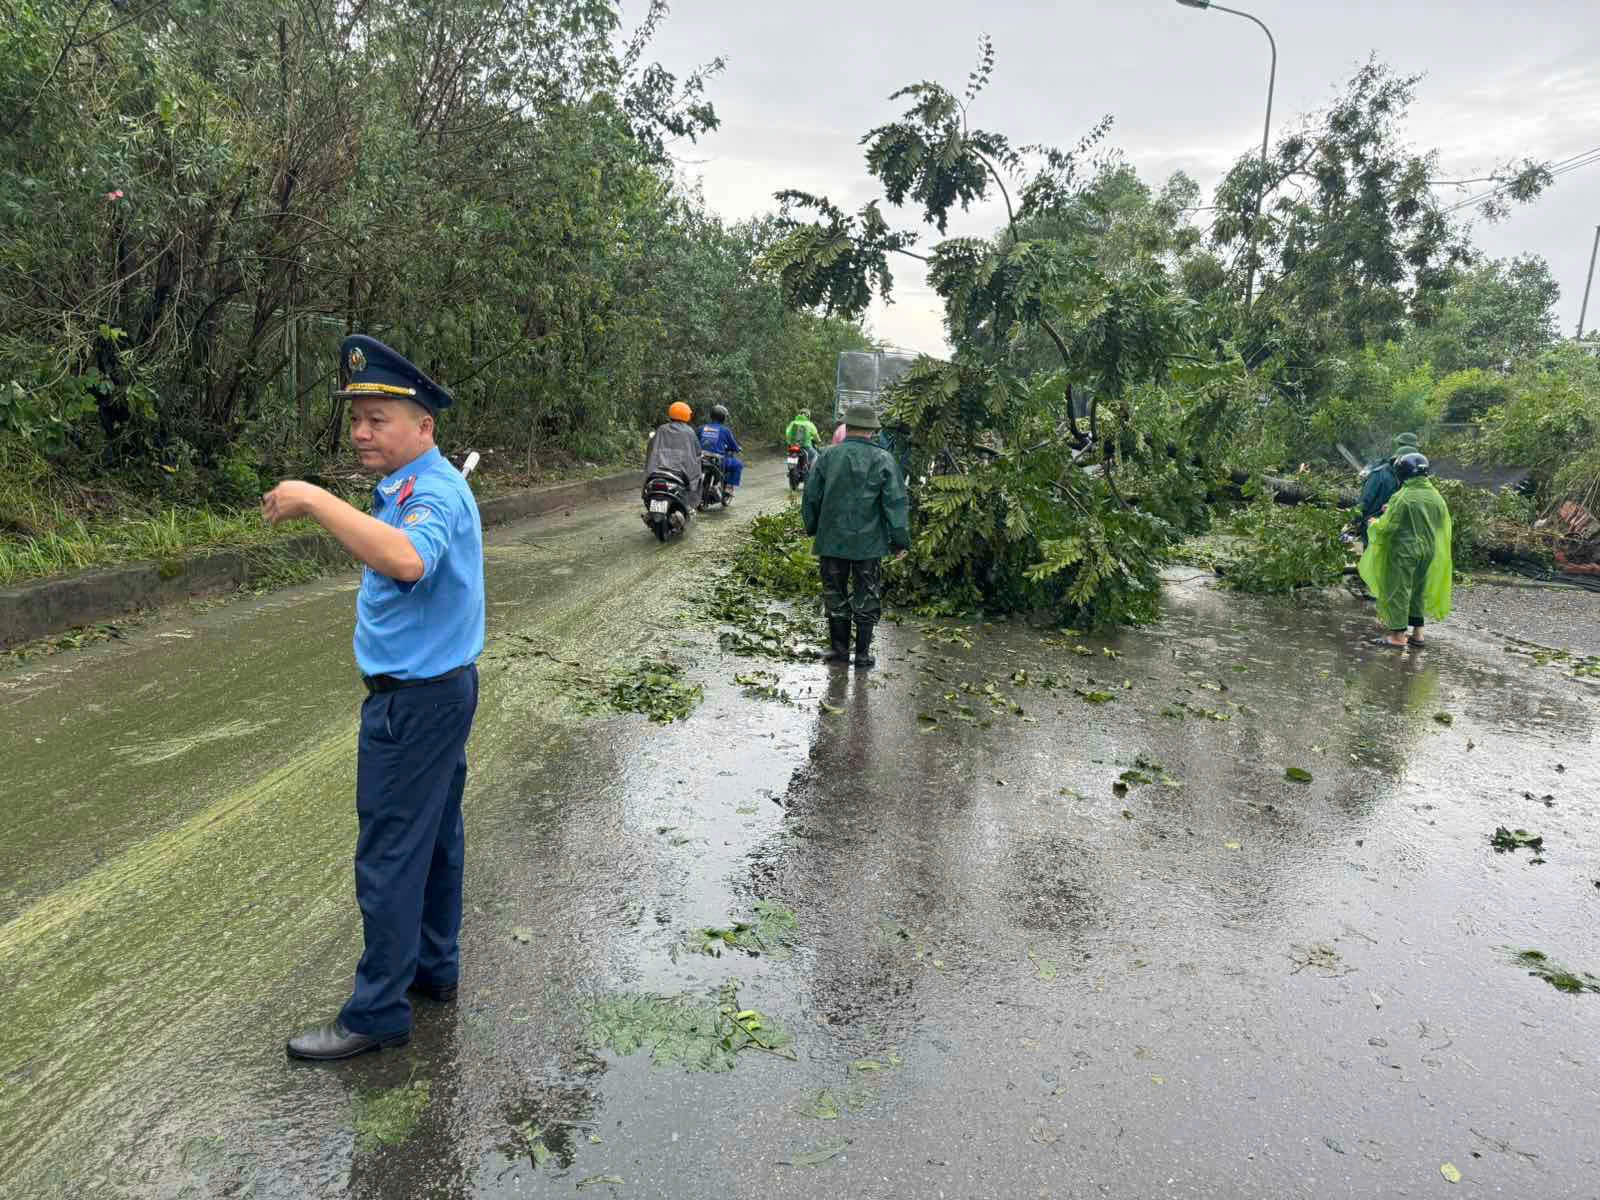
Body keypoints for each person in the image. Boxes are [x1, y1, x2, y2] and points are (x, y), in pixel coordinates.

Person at [263, 334, 484, 1061]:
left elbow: (408, 559)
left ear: (424, 425)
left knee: (390, 855)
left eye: (378, 419)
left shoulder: (433, 493)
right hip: (438, 693)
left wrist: (314, 499)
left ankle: (378, 1011)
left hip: (414, 706)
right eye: (356, 419)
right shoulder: (406, 488)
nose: (361, 432)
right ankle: (433, 970)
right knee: (436, 839)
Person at [801, 401, 911, 668]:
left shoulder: (827, 456)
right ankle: (862, 654)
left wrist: (813, 528)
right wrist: (899, 541)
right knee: (867, 593)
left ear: (847, 426)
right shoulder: (884, 459)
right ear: (872, 430)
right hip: (869, 544)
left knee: (835, 592)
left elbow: (811, 496)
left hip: (832, 539)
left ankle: (839, 651)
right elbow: (895, 503)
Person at [1359, 452, 1453, 649]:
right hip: (1427, 551)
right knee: (1418, 590)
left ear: (1402, 473)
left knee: (1398, 590)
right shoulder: (1436, 496)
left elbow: (1388, 527)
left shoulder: (1403, 497)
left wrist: (1373, 522)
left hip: (1404, 551)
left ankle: (1397, 636)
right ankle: (1418, 634)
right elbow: (1438, 523)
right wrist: (1393, 510)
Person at [1357, 432, 1418, 546]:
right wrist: (1356, 521)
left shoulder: (1411, 479)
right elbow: (1364, 502)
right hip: (1374, 526)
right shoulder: (1380, 474)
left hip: (1394, 530)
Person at [644, 401, 703, 513]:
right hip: (680, 473)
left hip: (658, 471)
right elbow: (697, 452)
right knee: (696, 480)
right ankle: (690, 506)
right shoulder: (689, 432)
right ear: (687, 415)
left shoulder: (661, 429)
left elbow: (651, 448)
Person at [698, 403, 744, 502]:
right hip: (718, 461)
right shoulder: (725, 430)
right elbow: (733, 446)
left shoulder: (701, 428)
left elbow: (696, 442)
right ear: (723, 417)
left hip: (700, 459)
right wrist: (738, 449)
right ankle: (729, 488)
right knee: (738, 464)